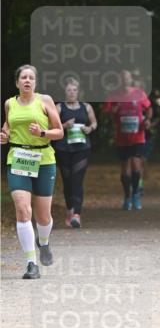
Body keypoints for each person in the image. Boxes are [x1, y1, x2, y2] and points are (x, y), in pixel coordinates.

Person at [0, 64, 63, 278]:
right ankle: (31, 263)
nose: (27, 80)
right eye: (23, 77)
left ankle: (43, 242)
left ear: (35, 82)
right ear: (17, 82)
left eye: (31, 78)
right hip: (18, 158)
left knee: (43, 216)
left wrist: (42, 132)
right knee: (22, 209)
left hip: (43, 158)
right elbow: (8, 126)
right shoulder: (9, 103)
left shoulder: (44, 101)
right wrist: (4, 135)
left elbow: (59, 132)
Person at [102, 70, 152, 210]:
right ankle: (127, 196)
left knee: (136, 167)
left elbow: (149, 108)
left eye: (127, 78)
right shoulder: (114, 95)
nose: (125, 81)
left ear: (130, 80)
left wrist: (147, 120)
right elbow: (105, 113)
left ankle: (136, 194)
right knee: (125, 169)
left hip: (138, 136)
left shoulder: (139, 93)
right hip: (121, 137)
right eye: (122, 78)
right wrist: (113, 111)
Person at [53, 77, 97, 228]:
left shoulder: (86, 107)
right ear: (64, 92)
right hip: (63, 148)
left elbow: (94, 123)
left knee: (77, 179)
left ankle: (76, 214)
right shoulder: (59, 107)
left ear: (79, 92)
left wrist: (89, 128)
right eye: (69, 90)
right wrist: (64, 125)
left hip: (82, 148)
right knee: (68, 181)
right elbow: (51, 127)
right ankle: (69, 210)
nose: (72, 93)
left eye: (74, 90)